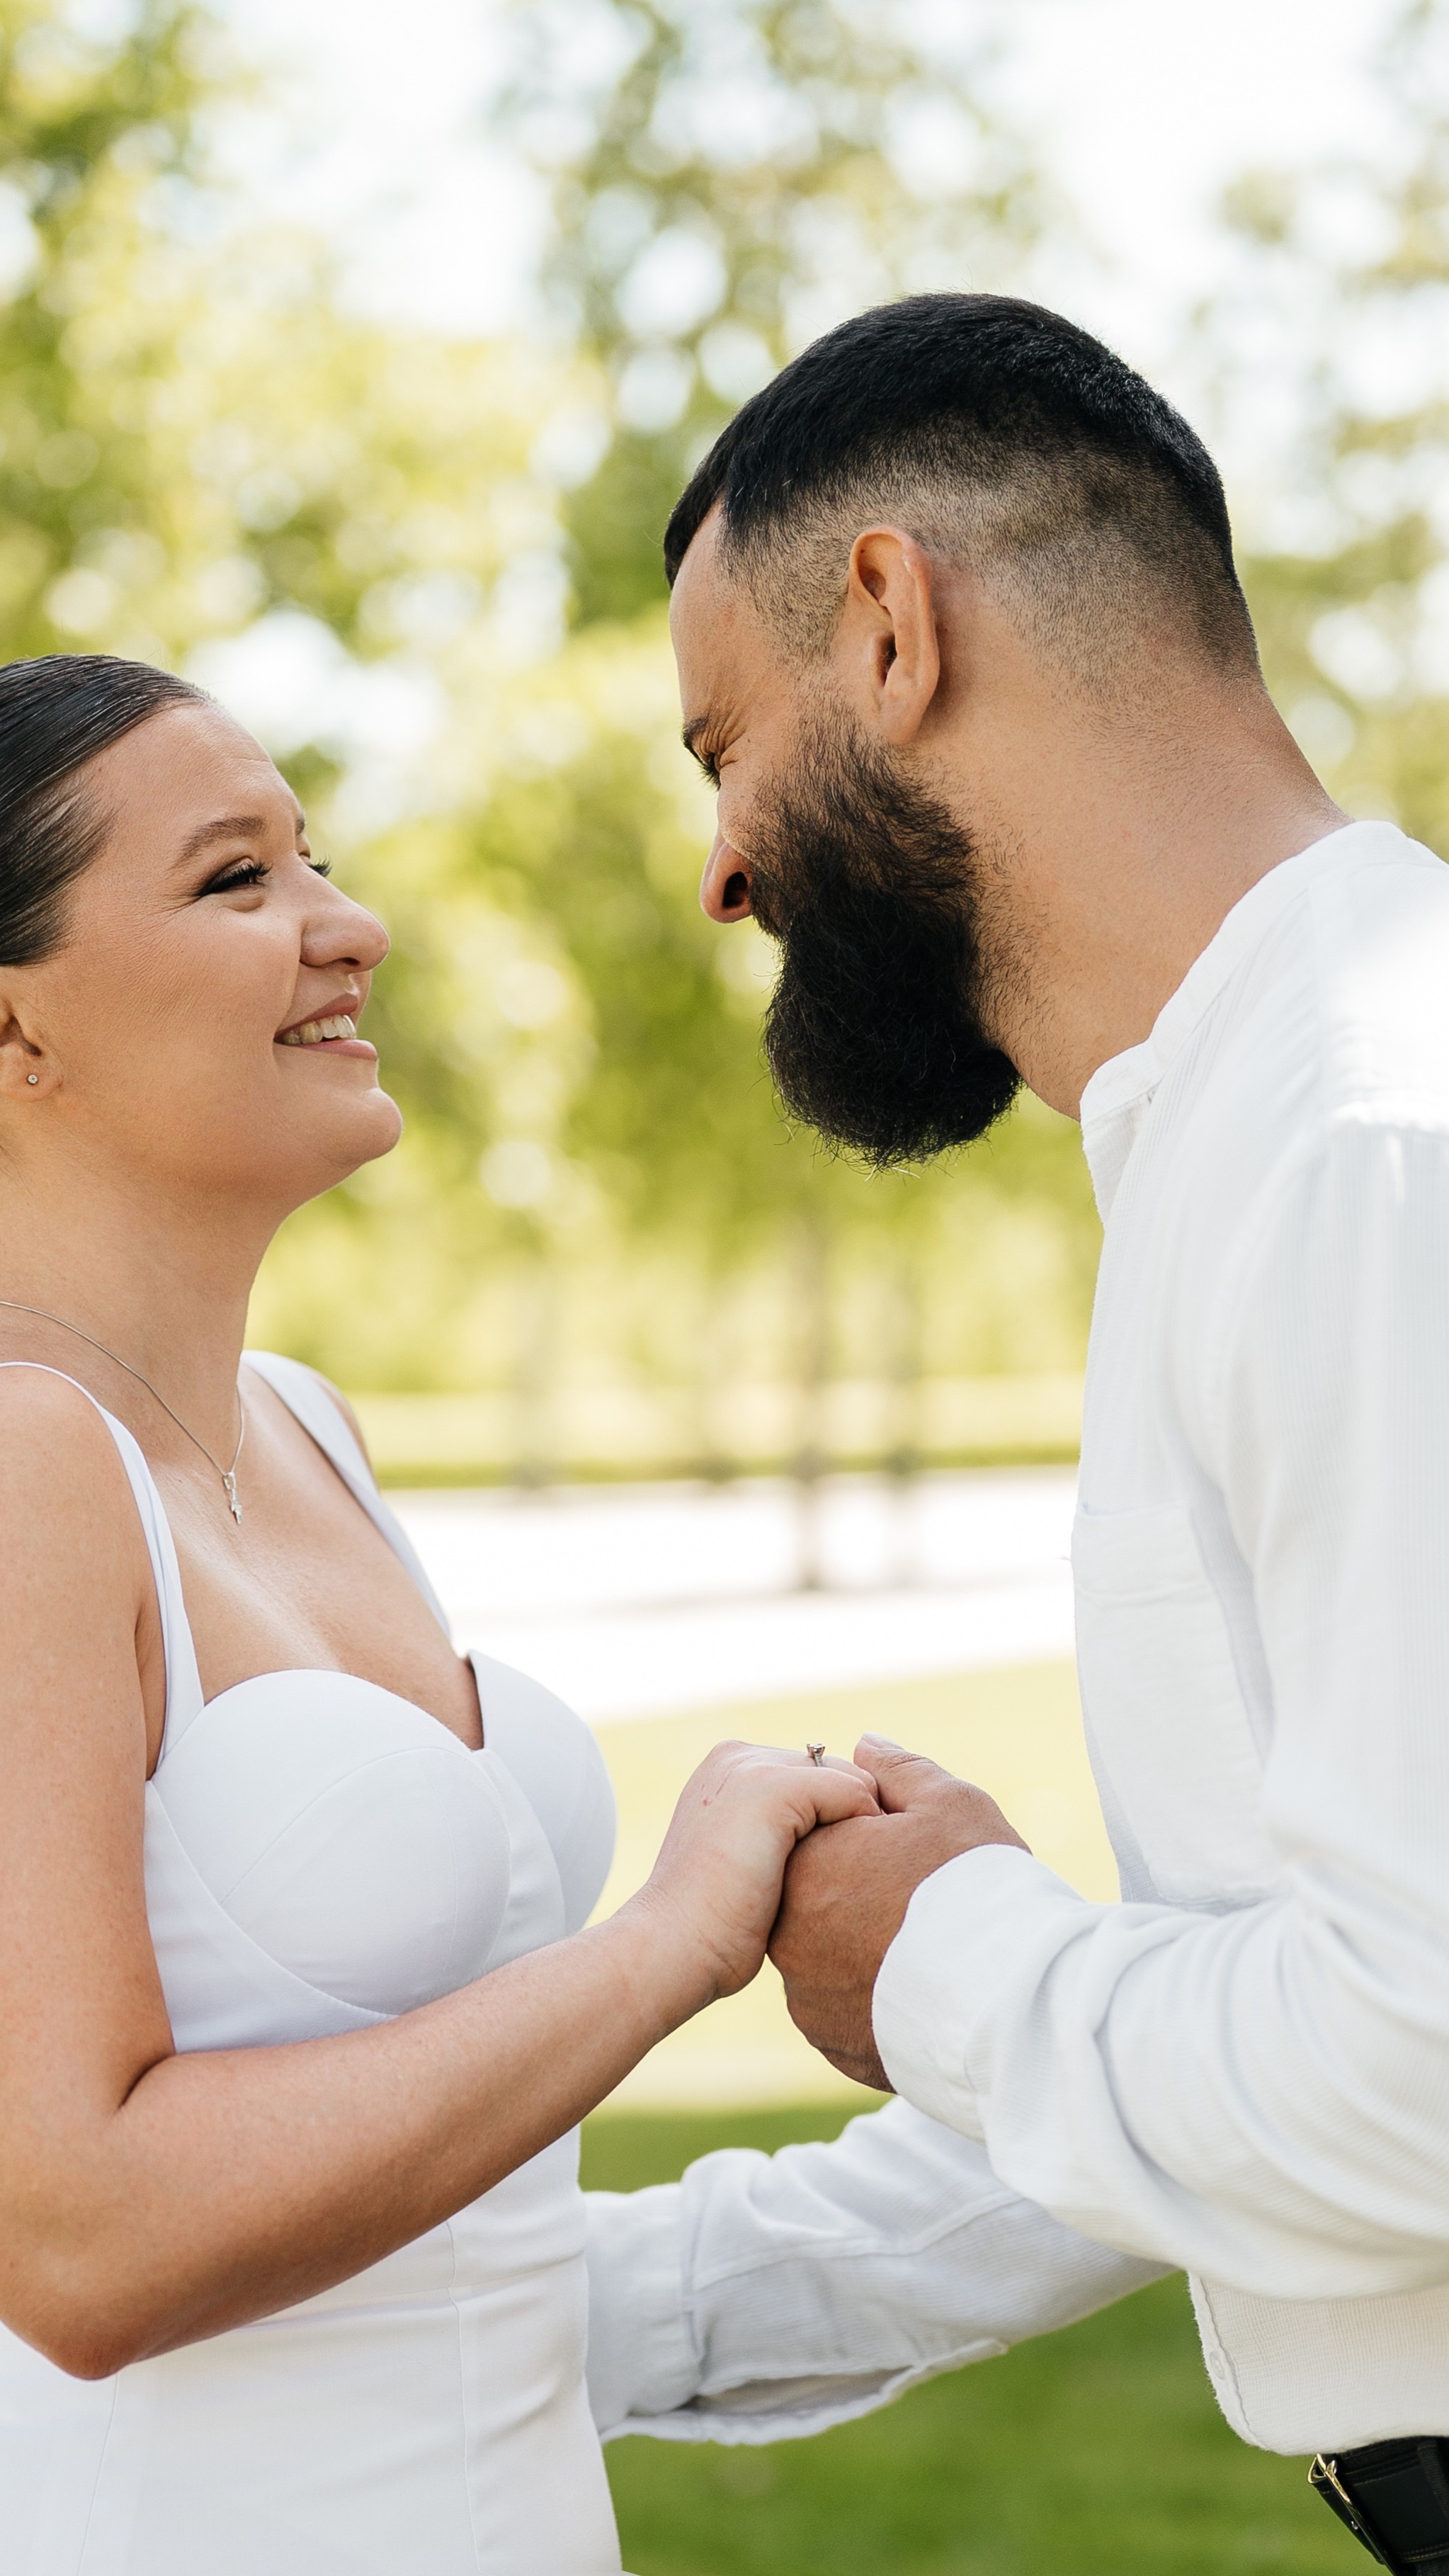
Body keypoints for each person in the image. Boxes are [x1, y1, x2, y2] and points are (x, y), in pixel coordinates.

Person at [0, 654, 881, 2571]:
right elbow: (79, 2241)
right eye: (234, 880)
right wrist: (671, 1943)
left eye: (316, 860)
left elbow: (457, 2252)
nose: (348, 928)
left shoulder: (303, 1432)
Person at [581, 293, 1449, 2570]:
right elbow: (1243, 2049)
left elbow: (1423, 2071)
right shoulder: (1249, 1124)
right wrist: (516, 2321)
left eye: (719, 746)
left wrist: (944, 1951)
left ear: (888, 625)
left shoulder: (1365, 1143)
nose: (721, 867)